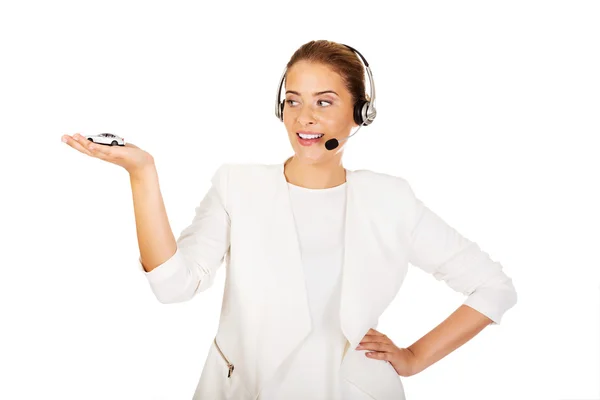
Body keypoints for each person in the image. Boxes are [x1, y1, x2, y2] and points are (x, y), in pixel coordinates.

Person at [61, 40, 517, 400]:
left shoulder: (389, 198)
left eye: (324, 102)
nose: (304, 118)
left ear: (360, 114)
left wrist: (414, 358)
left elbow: (492, 287)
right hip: (246, 389)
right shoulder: (237, 185)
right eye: (294, 100)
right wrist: (143, 173)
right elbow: (173, 285)